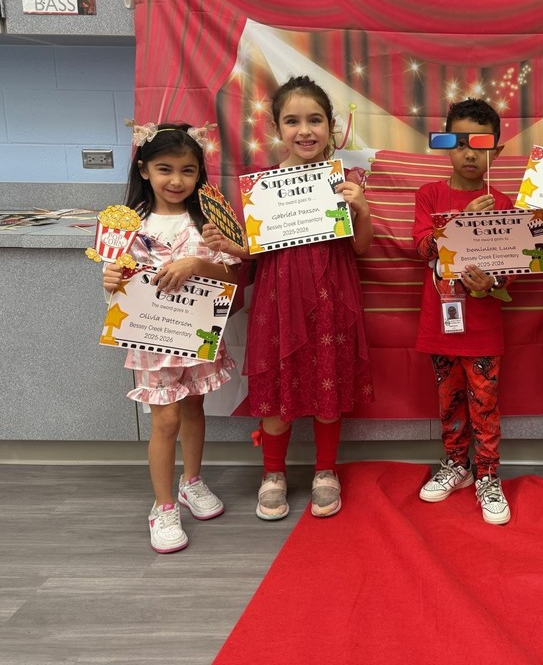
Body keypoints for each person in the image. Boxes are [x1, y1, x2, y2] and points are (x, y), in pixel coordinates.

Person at [203, 76, 374, 521]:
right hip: (277, 304)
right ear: (277, 128)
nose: (305, 130)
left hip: (332, 298)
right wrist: (230, 245)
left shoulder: (345, 182)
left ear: (330, 126)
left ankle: (325, 471)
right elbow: (254, 252)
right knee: (277, 392)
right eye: (293, 121)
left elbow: (361, 247)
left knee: (328, 388)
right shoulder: (262, 188)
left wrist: (362, 209)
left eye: (315, 120)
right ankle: (273, 473)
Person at [102, 123, 240, 553]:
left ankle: (190, 482)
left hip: (197, 333)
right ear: (144, 169)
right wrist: (111, 280)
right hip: (151, 340)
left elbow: (232, 280)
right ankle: (162, 506)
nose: (177, 180)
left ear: (200, 173)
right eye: (165, 169)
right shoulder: (128, 225)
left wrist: (199, 264)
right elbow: (118, 284)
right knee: (164, 420)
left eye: (188, 170)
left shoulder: (209, 222)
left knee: (195, 406)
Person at [413, 99, 514, 525]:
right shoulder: (429, 195)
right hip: (440, 326)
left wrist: (490, 284)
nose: (469, 153)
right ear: (446, 146)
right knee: (449, 402)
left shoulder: (504, 203)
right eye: (459, 143)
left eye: (480, 144)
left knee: (485, 406)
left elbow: (511, 272)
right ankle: (458, 464)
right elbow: (422, 248)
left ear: (496, 150)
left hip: (484, 328)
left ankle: (488, 475)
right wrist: (458, 222)